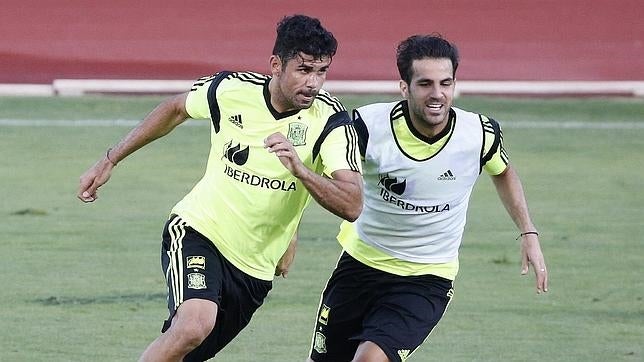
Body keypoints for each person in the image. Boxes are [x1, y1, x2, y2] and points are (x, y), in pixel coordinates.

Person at [77, 14, 363, 361]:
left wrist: (301, 174)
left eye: (322, 72)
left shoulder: (331, 120)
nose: (313, 83)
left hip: (255, 266)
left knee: (185, 352)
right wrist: (110, 159)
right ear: (276, 64)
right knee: (194, 325)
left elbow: (352, 204)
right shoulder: (230, 90)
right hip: (199, 229)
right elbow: (174, 109)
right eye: (303, 70)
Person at [307, 34, 548, 362]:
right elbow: (325, 177)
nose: (437, 94)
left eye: (445, 83)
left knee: (369, 359)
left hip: (426, 278)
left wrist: (528, 231)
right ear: (404, 87)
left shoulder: (479, 134)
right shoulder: (367, 127)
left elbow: (502, 171)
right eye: (425, 84)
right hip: (360, 266)